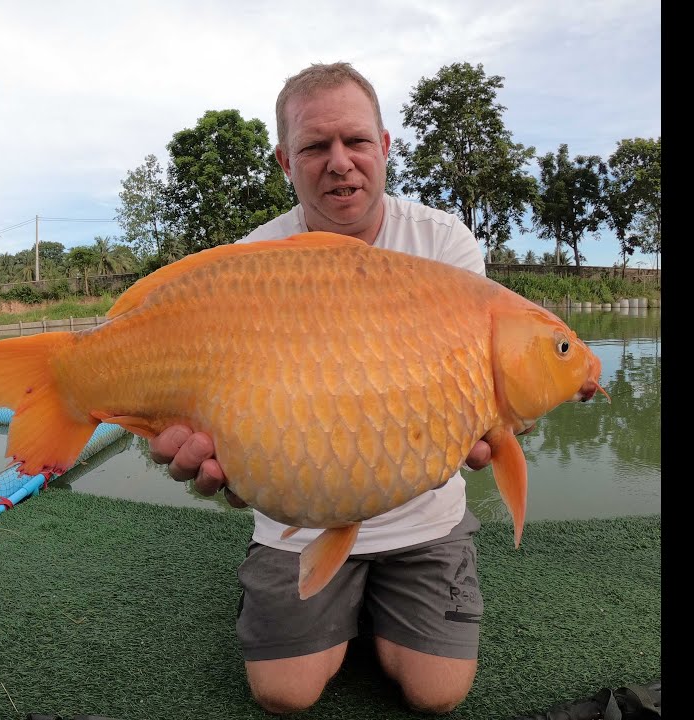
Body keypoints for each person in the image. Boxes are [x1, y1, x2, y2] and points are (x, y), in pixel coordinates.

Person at [149, 61, 494, 715]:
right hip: (299, 522)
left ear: (385, 147)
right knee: (285, 695)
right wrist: (229, 463)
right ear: (286, 160)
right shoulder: (255, 260)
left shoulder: (446, 246)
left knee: (437, 695)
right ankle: (320, 606)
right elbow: (226, 413)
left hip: (424, 518)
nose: (340, 163)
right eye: (315, 147)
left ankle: (379, 606)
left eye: (356, 141)